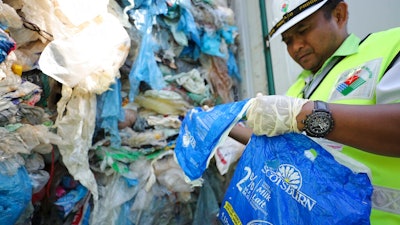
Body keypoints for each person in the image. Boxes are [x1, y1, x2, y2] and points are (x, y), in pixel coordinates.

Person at [229, 0, 400, 224]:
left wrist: (305, 115)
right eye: (287, 40)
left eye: (303, 31)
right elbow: (281, 148)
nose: (295, 47)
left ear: (339, 14)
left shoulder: (388, 47)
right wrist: (226, 128)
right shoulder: (297, 88)